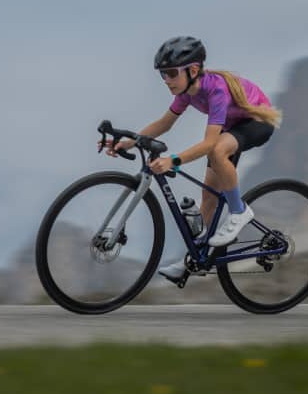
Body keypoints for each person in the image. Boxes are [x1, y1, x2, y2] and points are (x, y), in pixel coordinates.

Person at [104, 36, 282, 281]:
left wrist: (173, 161)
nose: (166, 80)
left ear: (193, 69)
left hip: (257, 122)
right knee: (208, 196)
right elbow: (164, 123)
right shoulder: (186, 92)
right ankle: (196, 258)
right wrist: (129, 142)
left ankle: (239, 211)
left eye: (171, 73)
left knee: (217, 150)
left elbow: (210, 143)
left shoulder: (216, 89)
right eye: (162, 74)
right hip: (233, 128)